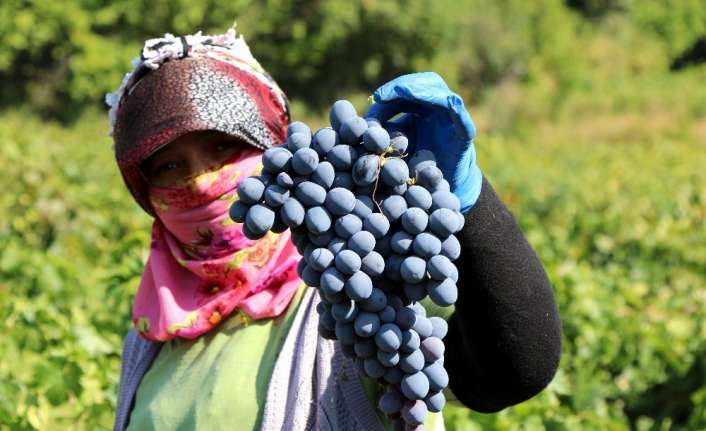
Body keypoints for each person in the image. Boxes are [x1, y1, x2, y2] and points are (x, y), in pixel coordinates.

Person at [108, 29, 562, 431]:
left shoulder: (346, 292)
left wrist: (471, 204)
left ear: (274, 147)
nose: (203, 181)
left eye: (224, 146)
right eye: (168, 165)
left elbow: (509, 372)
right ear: (143, 191)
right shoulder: (151, 334)